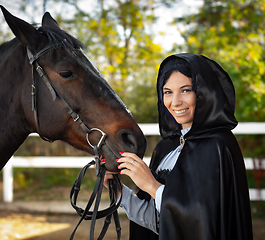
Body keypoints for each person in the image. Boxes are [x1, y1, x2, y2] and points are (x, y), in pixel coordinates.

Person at [104, 53, 253, 240]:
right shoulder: (165, 147)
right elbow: (159, 223)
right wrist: (118, 190)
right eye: (168, 92)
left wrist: (152, 186)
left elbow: (202, 225)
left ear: (204, 93)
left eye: (185, 90)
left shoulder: (219, 145)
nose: (175, 102)